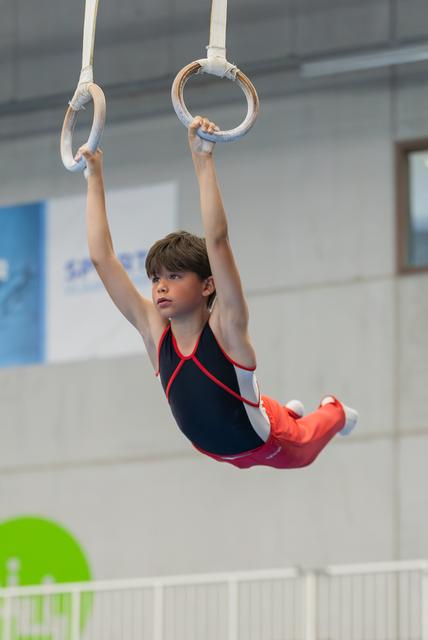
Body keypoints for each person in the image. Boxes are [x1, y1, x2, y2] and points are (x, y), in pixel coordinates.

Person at [76, 115, 358, 470]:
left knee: (302, 450)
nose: (160, 286)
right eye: (156, 278)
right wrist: (94, 176)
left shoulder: (227, 328)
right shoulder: (155, 333)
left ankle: (333, 410)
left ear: (208, 284)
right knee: (259, 405)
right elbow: (102, 259)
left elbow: (219, 242)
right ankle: (283, 410)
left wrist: (203, 159)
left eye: (175, 276)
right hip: (217, 446)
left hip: (267, 442)